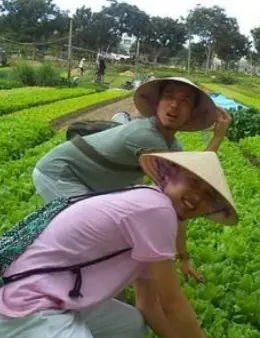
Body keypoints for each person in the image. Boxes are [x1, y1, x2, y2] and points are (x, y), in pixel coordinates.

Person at [0, 151, 238, 338]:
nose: (197, 197)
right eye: (193, 182)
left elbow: (148, 306)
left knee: (130, 325)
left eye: (208, 196)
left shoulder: (148, 203)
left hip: (41, 299)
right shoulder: (156, 211)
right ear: (170, 174)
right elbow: (172, 303)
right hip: (24, 313)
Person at [33, 76, 231, 283]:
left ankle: (95, 283)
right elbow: (189, 187)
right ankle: (53, 281)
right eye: (168, 97)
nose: (174, 105)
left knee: (106, 231)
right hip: (60, 173)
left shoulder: (173, 147)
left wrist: (184, 257)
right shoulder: (144, 135)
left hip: (94, 182)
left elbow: (178, 205)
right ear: (157, 103)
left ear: (191, 114)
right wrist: (217, 138)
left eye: (185, 101)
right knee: (89, 234)